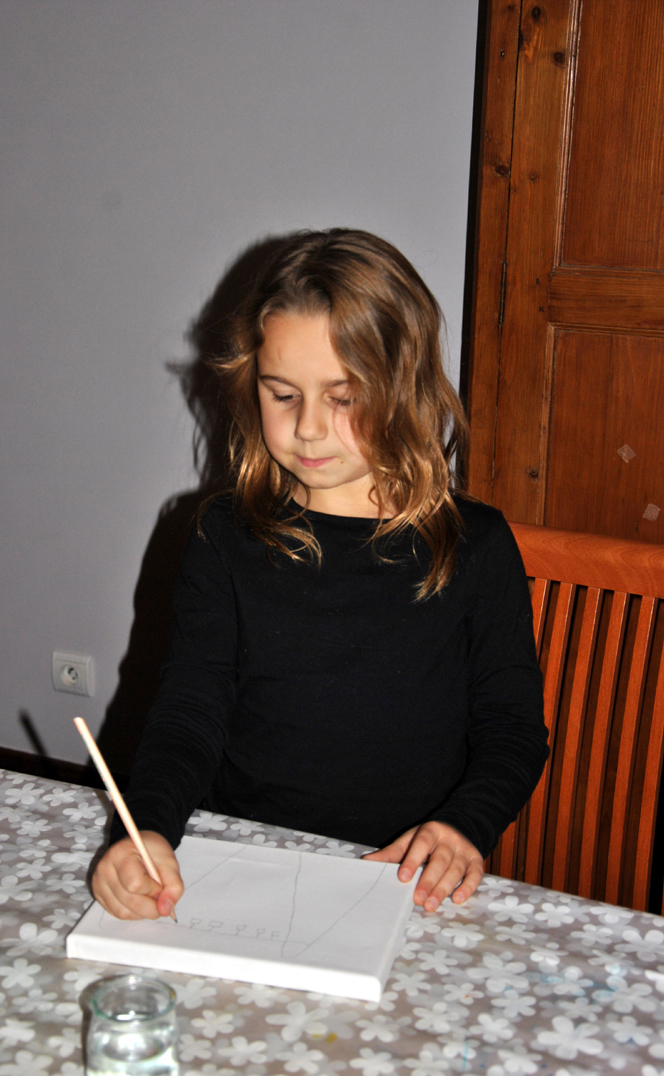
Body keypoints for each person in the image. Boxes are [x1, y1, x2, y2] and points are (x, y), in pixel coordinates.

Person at [93, 228, 548, 922]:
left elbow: (512, 729)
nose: (308, 428)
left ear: (404, 388)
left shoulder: (476, 545)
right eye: (282, 394)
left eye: (344, 397)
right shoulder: (222, 536)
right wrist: (148, 828)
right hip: (241, 858)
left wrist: (466, 825)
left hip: (407, 879)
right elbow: (189, 712)